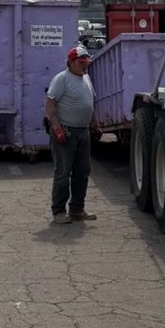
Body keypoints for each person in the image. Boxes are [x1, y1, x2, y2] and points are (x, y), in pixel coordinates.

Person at [46, 44, 97, 224]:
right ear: (71, 62)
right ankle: (58, 211)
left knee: (82, 172)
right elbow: (50, 105)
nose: (85, 65)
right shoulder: (62, 79)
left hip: (83, 132)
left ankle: (77, 209)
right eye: (81, 62)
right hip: (66, 132)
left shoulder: (86, 79)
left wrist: (95, 124)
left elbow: (89, 103)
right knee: (63, 173)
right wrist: (57, 128)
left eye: (86, 62)